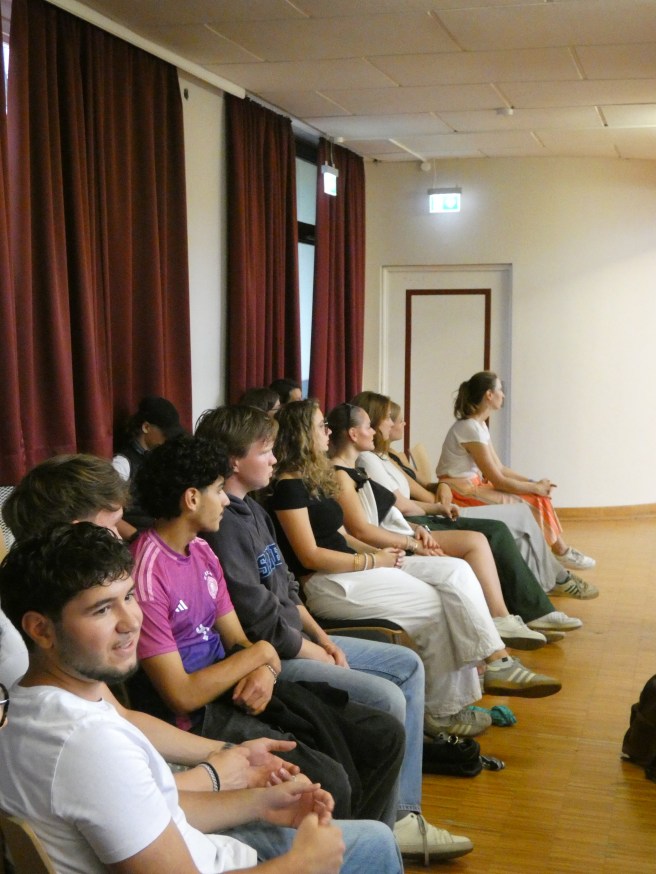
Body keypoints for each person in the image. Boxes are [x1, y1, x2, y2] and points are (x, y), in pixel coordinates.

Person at [0, 523, 402, 874]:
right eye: (102, 610)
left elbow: (149, 815)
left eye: (130, 596)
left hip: (210, 849)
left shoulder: (28, 705)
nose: (131, 621)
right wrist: (301, 864)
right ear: (41, 629)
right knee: (376, 842)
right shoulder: (90, 744)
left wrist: (259, 803)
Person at [195, 403, 474, 864]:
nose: (273, 458)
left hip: (300, 641)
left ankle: (401, 814)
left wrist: (322, 638)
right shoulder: (222, 527)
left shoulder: (253, 511)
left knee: (406, 665)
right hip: (275, 658)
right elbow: (258, 620)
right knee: (386, 697)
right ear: (233, 461)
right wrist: (312, 649)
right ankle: (382, 829)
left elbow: (287, 588)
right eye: (264, 450)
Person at [1, 454, 328, 794]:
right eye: (111, 527)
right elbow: (149, 797)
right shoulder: (37, 671)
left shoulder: (63, 650)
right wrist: (217, 773)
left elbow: (122, 716)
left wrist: (229, 751)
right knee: (317, 782)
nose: (120, 540)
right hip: (176, 751)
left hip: (170, 751)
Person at [131, 435, 405, 827]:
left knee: (384, 735)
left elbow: (237, 639)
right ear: (191, 499)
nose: (225, 500)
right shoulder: (147, 571)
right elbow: (181, 695)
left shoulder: (201, 551)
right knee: (331, 779)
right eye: (217, 490)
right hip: (201, 718)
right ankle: (344, 842)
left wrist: (264, 668)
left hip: (235, 690)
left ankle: (364, 840)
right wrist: (260, 655)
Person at [269, 400, 561, 737]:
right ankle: (445, 708)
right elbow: (310, 556)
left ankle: (491, 666)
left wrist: (383, 551)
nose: (327, 431)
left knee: (455, 571)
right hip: (329, 581)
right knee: (436, 606)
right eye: (321, 426)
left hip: (353, 569)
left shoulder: (312, 479)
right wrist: (372, 559)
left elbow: (343, 536)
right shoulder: (288, 486)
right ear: (302, 434)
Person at [350, 392, 586, 634]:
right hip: (412, 522)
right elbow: (403, 506)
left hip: (424, 514)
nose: (394, 423)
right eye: (388, 418)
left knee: (513, 522)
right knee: (499, 529)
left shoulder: (384, 458)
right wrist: (438, 506)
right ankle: (530, 605)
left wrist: (442, 490)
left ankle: (537, 600)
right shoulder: (368, 460)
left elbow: (418, 489)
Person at [387, 401, 599, 601]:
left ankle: (546, 584)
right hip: (443, 511)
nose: (404, 423)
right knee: (522, 515)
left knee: (523, 522)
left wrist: (442, 486)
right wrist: (440, 503)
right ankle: (557, 577)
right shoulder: (385, 461)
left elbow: (426, 484)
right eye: (396, 420)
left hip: (443, 504)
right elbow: (415, 497)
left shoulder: (396, 456)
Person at [436, 371, 596, 571]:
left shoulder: (479, 426)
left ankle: (559, 553)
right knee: (531, 501)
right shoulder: (470, 428)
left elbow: (500, 468)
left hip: (472, 487)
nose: (503, 394)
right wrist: (535, 487)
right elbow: (497, 479)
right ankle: (559, 553)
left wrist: (533, 483)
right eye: (500, 390)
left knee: (537, 496)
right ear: (489, 395)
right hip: (461, 493)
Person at [112, 395, 186, 538]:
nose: (168, 439)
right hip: (136, 539)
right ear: (146, 427)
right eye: (165, 434)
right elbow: (108, 514)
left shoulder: (161, 458)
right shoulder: (122, 463)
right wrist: (138, 539)